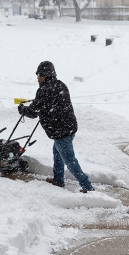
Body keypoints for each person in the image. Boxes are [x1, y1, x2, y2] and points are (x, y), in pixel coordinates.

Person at [18, 60, 94, 193]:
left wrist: (22, 109)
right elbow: (50, 104)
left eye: (40, 75)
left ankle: (87, 187)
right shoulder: (60, 85)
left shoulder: (44, 91)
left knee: (69, 160)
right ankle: (58, 180)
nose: (38, 78)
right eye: (38, 75)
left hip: (61, 132)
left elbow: (33, 112)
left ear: (46, 75)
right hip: (69, 127)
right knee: (57, 154)